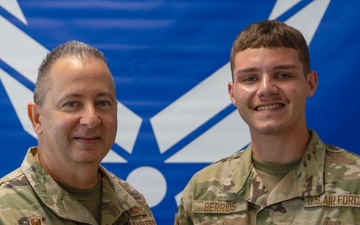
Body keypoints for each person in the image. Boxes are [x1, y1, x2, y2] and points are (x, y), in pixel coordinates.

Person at [174, 20, 360, 225]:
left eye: (282, 75)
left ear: (310, 84)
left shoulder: (356, 183)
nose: (266, 89)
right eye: (250, 78)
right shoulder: (202, 192)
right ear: (232, 93)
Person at [0, 41, 157, 225]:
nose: (91, 119)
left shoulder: (134, 206)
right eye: (72, 104)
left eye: (102, 103)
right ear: (37, 118)